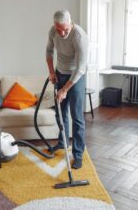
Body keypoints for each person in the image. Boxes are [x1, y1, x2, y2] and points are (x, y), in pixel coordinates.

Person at [46, 10, 89, 169]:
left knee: (76, 117)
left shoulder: (79, 37)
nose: (62, 33)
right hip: (60, 73)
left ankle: (78, 154)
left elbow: (80, 69)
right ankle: (62, 142)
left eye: (65, 29)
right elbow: (49, 51)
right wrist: (51, 71)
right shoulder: (53, 31)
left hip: (76, 78)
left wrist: (64, 90)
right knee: (59, 111)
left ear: (71, 23)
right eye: (58, 29)